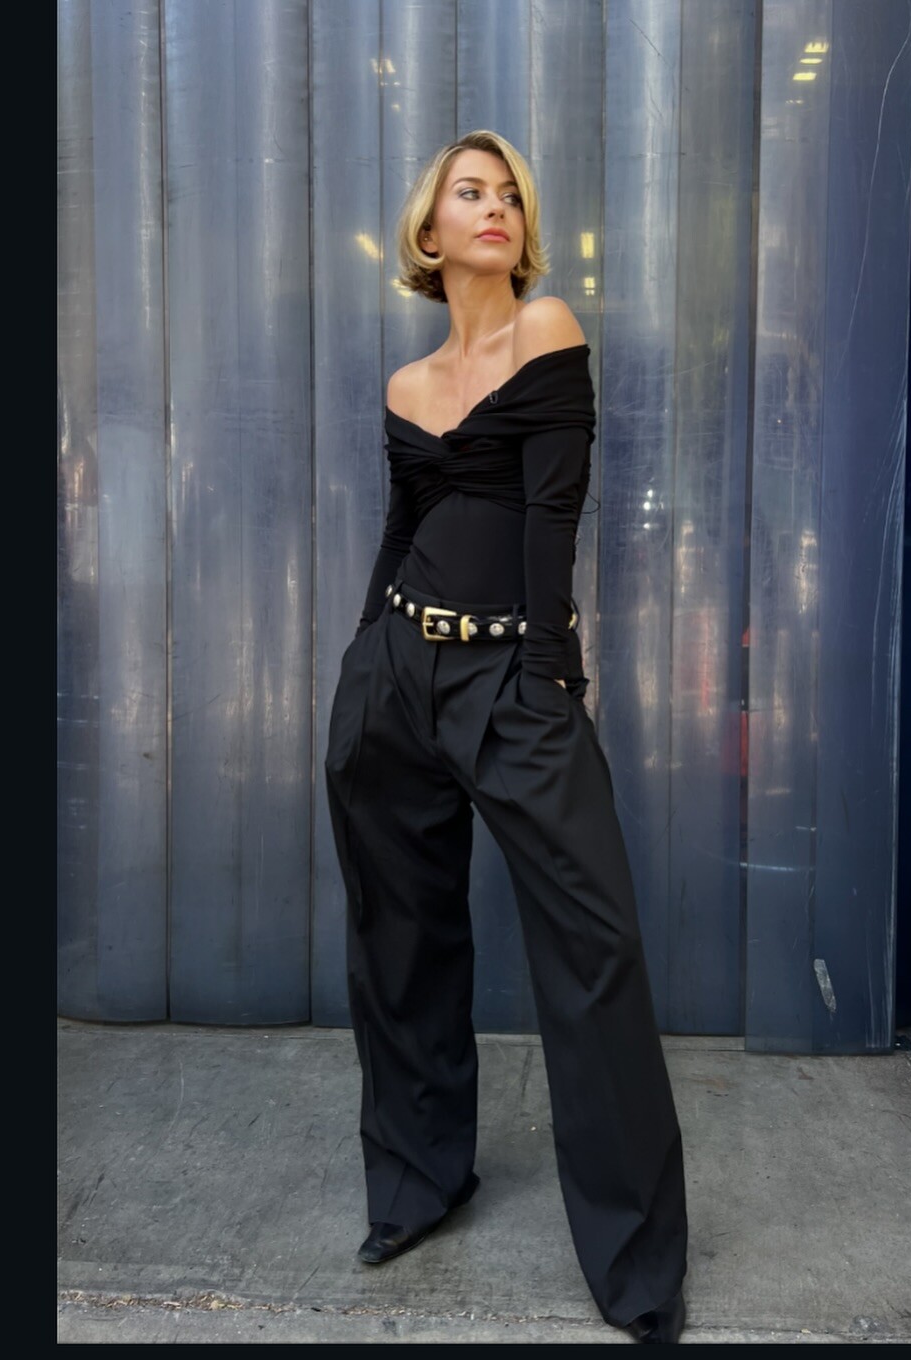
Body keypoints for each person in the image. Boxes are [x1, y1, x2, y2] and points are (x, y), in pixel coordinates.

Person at [324, 130, 688, 1344]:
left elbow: (552, 518)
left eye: (510, 196)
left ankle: (636, 1266)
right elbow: (402, 524)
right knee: (400, 939)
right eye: (468, 192)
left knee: (595, 947)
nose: (495, 208)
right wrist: (363, 660)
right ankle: (418, 1184)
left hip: (512, 678)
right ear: (428, 232)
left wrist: (548, 679)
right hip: (397, 674)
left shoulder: (548, 331)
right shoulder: (406, 384)